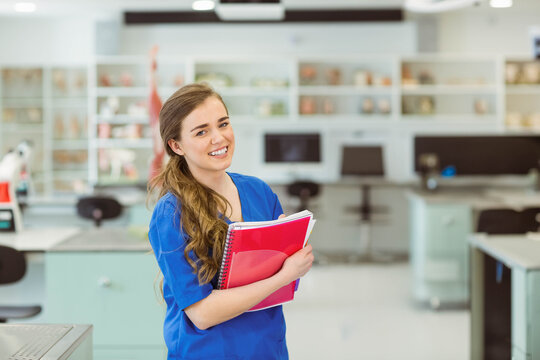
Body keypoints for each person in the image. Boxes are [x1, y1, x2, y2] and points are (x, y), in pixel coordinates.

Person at [147, 83, 314, 360]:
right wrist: (284, 274)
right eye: (202, 131)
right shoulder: (171, 213)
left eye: (223, 124)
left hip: (267, 349)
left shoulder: (259, 192)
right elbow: (201, 313)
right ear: (176, 145)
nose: (219, 138)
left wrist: (295, 255)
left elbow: (284, 286)